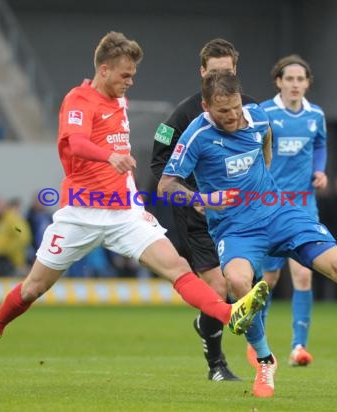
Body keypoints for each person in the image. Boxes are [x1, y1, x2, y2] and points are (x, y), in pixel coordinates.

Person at [0, 32, 268, 362]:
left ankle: (229, 314)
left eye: (133, 74)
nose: (131, 81)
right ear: (104, 70)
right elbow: (75, 142)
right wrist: (108, 157)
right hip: (80, 214)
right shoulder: (78, 100)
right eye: (125, 75)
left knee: (177, 266)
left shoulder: (119, 99)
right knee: (33, 288)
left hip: (124, 211)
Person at [158, 70, 337, 398]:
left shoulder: (255, 116)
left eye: (236, 107)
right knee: (239, 283)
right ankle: (266, 362)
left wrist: (265, 172)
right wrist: (202, 198)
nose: (232, 116)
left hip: (278, 213)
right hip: (236, 229)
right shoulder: (196, 134)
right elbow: (166, 185)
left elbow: (266, 137)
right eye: (223, 111)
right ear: (206, 106)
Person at [150, 38, 257, 382]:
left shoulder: (253, 110)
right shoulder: (181, 115)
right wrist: (197, 198)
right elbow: (158, 162)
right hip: (199, 215)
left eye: (226, 72)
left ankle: (213, 325)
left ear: (235, 71)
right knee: (218, 288)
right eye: (214, 73)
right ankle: (217, 367)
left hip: (242, 216)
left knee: (246, 282)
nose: (220, 79)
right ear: (202, 73)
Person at [255, 55, 327, 367]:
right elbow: (252, 149)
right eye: (290, 79)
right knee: (269, 279)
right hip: (272, 205)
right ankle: (258, 342)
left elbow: (320, 145)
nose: (295, 84)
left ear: (307, 82)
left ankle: (299, 347)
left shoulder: (316, 115)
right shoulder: (265, 113)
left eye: (301, 79)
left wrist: (320, 171)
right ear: (279, 82)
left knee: (303, 275)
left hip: (304, 204)